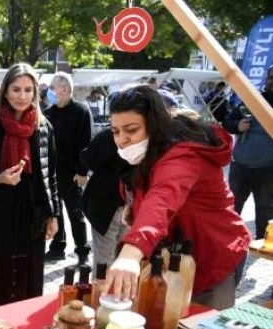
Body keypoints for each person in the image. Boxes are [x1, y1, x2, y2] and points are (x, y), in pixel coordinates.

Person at [104, 85, 250, 309]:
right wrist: (132, 206)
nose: (122, 139)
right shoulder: (150, 150)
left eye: (131, 130)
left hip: (211, 259)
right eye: (115, 131)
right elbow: (147, 191)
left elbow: (162, 198)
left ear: (154, 126)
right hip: (172, 258)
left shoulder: (183, 154)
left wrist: (131, 253)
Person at [0, 63, 60, 310]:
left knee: (27, 278)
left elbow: (50, 175)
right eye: (16, 89)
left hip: (31, 213)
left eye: (28, 90)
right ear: (6, 92)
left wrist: (54, 215)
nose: (22, 96)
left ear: (35, 93)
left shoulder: (44, 128)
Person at [43, 72, 93, 265]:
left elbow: (86, 143)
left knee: (75, 213)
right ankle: (57, 248)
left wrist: (82, 172)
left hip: (73, 173)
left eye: (53, 87)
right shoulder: (49, 113)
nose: (50, 92)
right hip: (53, 173)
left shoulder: (81, 111)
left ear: (65, 89)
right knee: (56, 213)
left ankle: (82, 251)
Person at [223, 65, 273, 241]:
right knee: (232, 207)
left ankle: (261, 244)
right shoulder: (252, 99)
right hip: (241, 165)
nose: (272, 81)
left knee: (265, 210)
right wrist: (238, 126)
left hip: (267, 169)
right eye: (271, 77)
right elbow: (227, 122)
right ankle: (227, 241)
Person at [80, 125, 132, 271]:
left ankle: (102, 291)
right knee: (119, 257)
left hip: (108, 201)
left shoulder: (111, 134)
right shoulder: (147, 133)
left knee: (105, 261)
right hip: (126, 200)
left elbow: (89, 158)